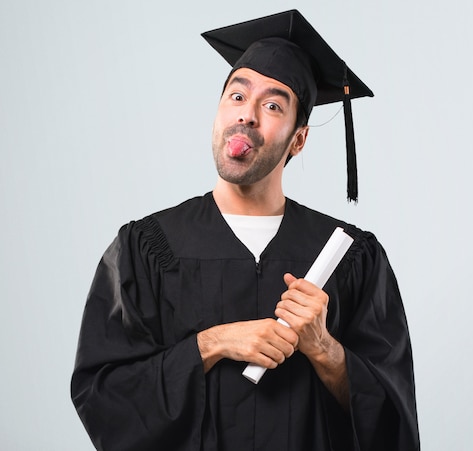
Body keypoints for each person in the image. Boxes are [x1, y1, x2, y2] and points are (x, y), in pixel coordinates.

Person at [71, 9, 419, 451]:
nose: (248, 115)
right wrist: (211, 344)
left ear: (298, 139)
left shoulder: (350, 259)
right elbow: (103, 398)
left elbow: (395, 422)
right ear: (218, 113)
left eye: (273, 105)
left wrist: (324, 347)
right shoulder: (148, 247)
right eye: (237, 97)